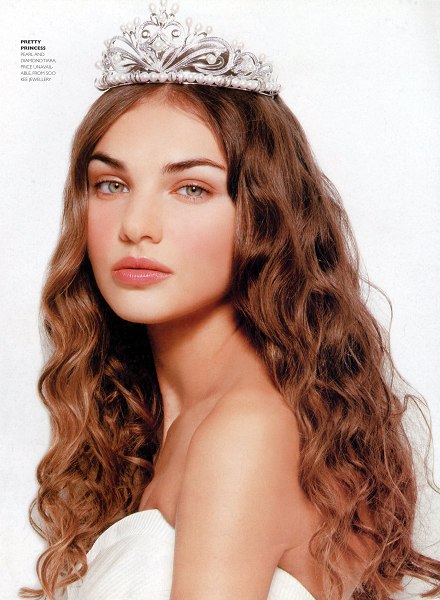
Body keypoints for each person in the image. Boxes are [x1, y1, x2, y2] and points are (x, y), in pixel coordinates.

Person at [20, 2, 440, 599]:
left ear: (263, 217)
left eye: (191, 188)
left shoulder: (242, 433)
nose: (136, 226)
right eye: (111, 184)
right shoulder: (174, 423)